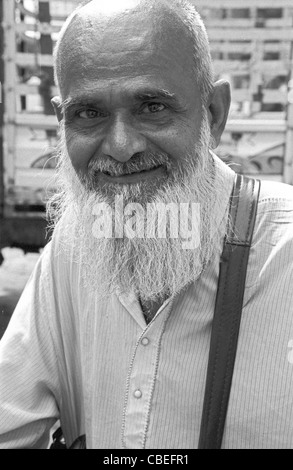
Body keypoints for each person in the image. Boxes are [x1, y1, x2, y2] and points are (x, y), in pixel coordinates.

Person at [0, 0, 293, 450]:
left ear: (213, 114)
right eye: (89, 113)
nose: (119, 147)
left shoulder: (284, 250)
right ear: (63, 121)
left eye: (152, 106)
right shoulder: (77, 241)